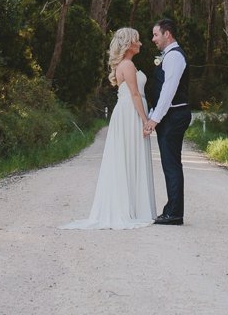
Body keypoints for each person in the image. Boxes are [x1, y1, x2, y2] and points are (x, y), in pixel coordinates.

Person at [62, 27, 157, 229]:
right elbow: (134, 95)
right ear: (129, 44)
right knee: (130, 155)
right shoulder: (128, 65)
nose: (140, 43)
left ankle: (133, 206)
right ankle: (132, 208)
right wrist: (145, 120)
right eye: (137, 40)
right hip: (131, 113)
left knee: (129, 156)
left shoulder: (124, 65)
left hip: (127, 111)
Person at [144, 17, 190, 225]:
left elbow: (168, 91)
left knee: (171, 164)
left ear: (167, 34)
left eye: (156, 34)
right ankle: (172, 209)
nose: (153, 39)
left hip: (174, 115)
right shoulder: (169, 56)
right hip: (170, 115)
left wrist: (154, 119)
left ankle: (174, 213)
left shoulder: (174, 57)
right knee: (169, 163)